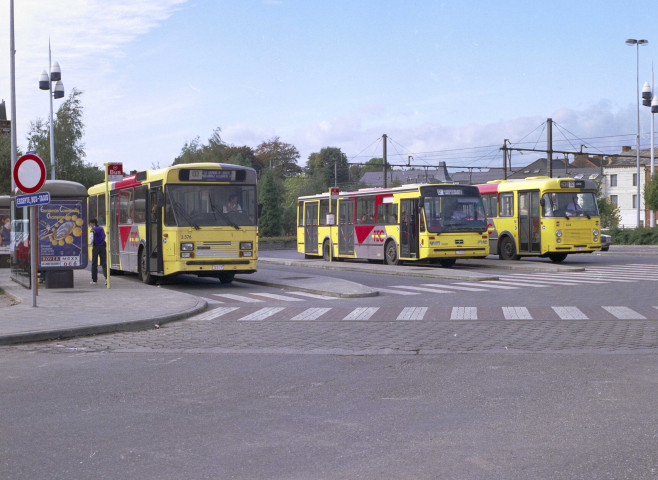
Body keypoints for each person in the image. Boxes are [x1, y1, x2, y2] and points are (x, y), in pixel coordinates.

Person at [89, 218, 107, 285]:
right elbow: (104, 236)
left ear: (92, 223)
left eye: (90, 223)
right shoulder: (101, 228)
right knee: (104, 263)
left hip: (96, 247)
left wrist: (90, 244)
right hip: (102, 247)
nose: (90, 225)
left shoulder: (93, 230)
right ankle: (106, 279)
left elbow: (92, 239)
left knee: (94, 264)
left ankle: (94, 280)